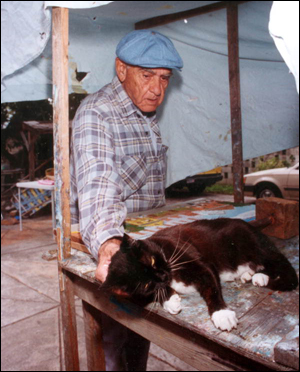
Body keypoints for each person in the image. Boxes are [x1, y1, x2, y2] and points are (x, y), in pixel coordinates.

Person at [70, 29, 183, 371]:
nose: (157, 88)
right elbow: (97, 181)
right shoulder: (97, 114)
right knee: (115, 352)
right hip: (118, 253)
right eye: (147, 75)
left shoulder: (146, 116)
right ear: (121, 70)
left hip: (144, 251)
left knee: (137, 346)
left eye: (164, 78)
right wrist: (109, 246)